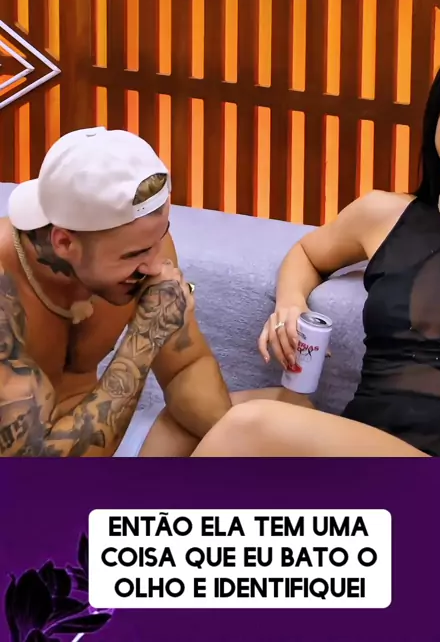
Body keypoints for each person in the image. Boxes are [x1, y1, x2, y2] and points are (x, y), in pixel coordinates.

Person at [190, 37, 440, 457]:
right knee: (188, 415)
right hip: (362, 443)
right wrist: (290, 303)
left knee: (248, 425)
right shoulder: (384, 214)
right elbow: (308, 254)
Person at [0, 126, 308, 459]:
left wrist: (238, 451)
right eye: (134, 254)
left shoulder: (146, 253)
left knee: (282, 419)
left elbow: (184, 367)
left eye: (160, 238)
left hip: (105, 448)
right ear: (64, 242)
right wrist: (146, 337)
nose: (155, 264)